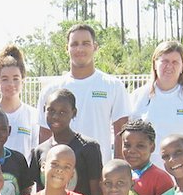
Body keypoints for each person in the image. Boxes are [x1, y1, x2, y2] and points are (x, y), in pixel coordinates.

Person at [36, 23, 130, 165]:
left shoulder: (113, 86)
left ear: (95, 47)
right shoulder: (51, 90)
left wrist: (116, 170)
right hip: (61, 173)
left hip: (99, 171)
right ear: (66, 48)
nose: (80, 48)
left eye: (86, 43)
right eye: (74, 44)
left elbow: (121, 134)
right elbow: (44, 135)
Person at [129, 40, 183, 178]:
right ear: (155, 63)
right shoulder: (139, 96)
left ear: (182, 66)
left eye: (175, 62)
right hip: (146, 179)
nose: (169, 66)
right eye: (165, 61)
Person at [30, 88, 103, 195]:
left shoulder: (89, 147)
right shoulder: (39, 151)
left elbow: (96, 193)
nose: (55, 116)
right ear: (44, 110)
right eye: (51, 110)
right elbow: (39, 193)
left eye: (62, 112)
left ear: (73, 113)